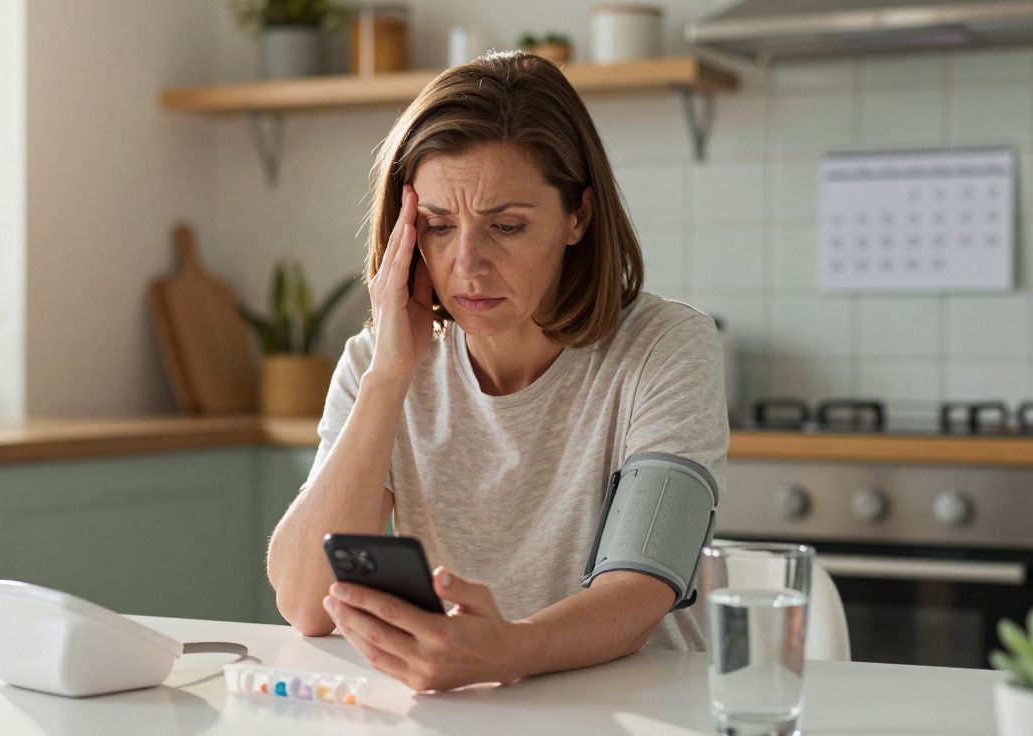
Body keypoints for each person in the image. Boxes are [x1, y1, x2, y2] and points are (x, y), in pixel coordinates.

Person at [265, 50, 729, 693]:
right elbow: (304, 604)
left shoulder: (665, 346)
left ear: (578, 217)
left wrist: (510, 651)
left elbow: (640, 589)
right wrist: (388, 377)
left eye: (506, 226)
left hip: (637, 709)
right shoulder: (379, 361)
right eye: (437, 226)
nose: (468, 264)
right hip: (464, 711)